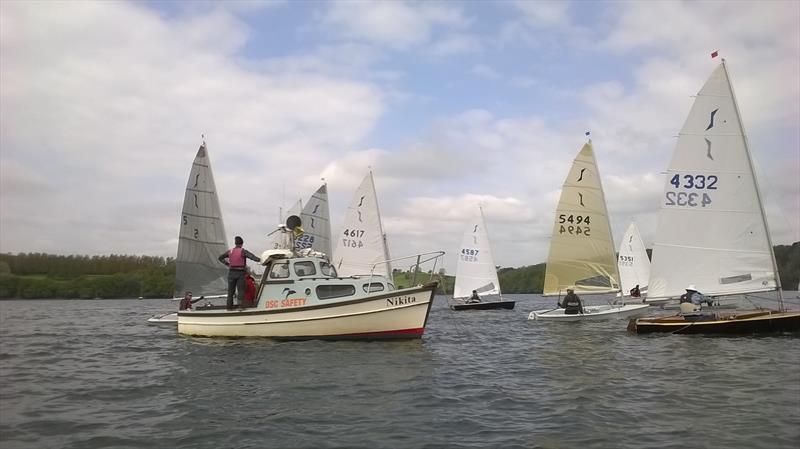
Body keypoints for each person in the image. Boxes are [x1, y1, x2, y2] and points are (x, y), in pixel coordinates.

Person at [219, 236, 261, 310]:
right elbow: (253, 257)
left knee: (230, 291)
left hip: (231, 273)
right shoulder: (243, 251)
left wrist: (227, 264)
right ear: (242, 244)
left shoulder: (230, 251)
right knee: (240, 290)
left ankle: (229, 307)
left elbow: (220, 258)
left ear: (235, 243)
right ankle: (240, 307)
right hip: (240, 273)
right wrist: (260, 260)